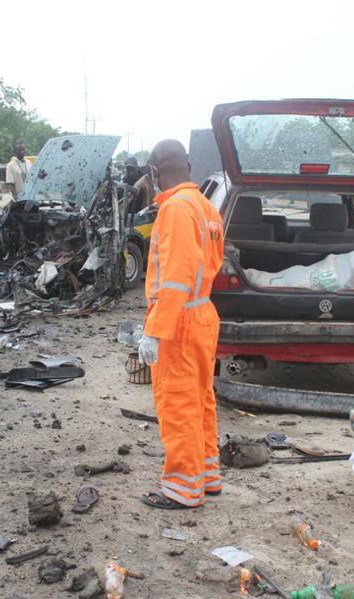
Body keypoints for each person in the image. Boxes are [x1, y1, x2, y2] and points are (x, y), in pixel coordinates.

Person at [137, 139, 224, 509]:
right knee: (201, 399)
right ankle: (206, 477)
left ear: (155, 171)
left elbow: (175, 277)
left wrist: (156, 331)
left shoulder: (174, 209)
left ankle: (183, 489)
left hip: (180, 321)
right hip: (202, 314)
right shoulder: (205, 205)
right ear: (187, 164)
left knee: (178, 404)